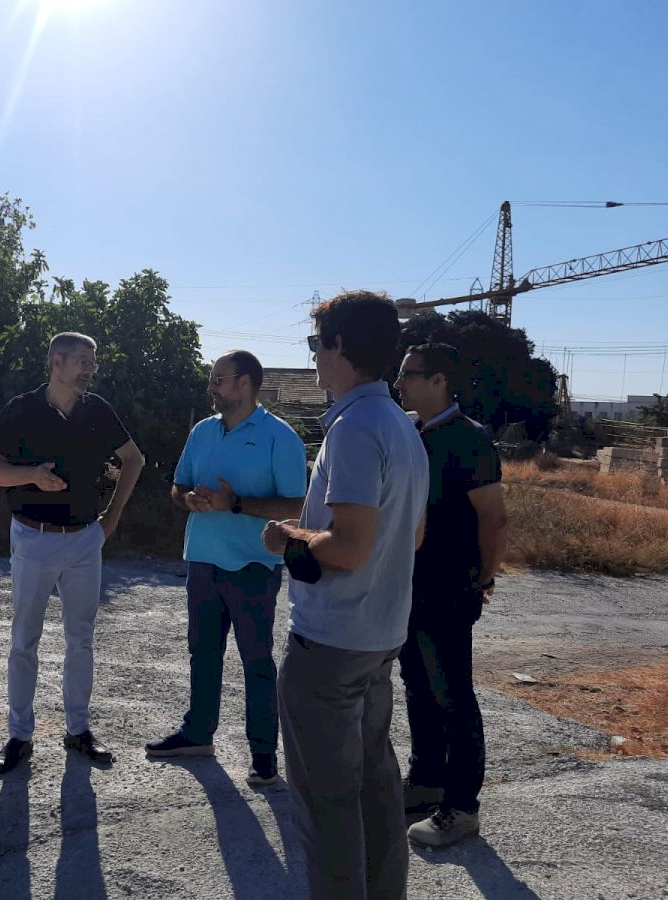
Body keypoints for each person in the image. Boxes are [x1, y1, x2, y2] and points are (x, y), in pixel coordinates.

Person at [262, 291, 428, 900]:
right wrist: (318, 536)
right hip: (378, 638)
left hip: (330, 643)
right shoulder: (403, 427)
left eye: (315, 345)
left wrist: (288, 538)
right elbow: (411, 535)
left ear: (338, 346)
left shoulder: (355, 428)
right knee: (374, 788)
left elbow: (352, 547)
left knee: (326, 805)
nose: (313, 358)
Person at [0, 332, 144, 776]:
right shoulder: (22, 409)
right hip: (33, 537)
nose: (90, 370)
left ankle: (79, 730)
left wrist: (111, 518)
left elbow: (134, 459)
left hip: (86, 538)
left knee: (81, 638)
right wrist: (31, 475)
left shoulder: (97, 410)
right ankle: (19, 736)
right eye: (82, 361)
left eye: (93, 362)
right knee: (24, 640)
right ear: (57, 361)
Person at [144, 350, 307, 785]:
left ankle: (263, 754)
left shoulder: (280, 437)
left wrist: (236, 504)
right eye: (212, 379)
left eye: (219, 379)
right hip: (202, 559)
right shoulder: (202, 431)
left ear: (245, 383)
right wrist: (187, 499)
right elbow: (178, 486)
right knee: (202, 654)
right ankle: (198, 734)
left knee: (256, 661)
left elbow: (297, 506)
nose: (211, 387)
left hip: (253, 565)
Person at [394, 342, 508, 848]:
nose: (399, 384)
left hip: (448, 587)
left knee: (453, 695)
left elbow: (493, 518)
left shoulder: (469, 439)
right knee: (417, 684)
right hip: (410, 585)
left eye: (409, 374)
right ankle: (426, 781)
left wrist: (484, 578)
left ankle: (461, 807)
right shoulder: (414, 432)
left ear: (439, 380)